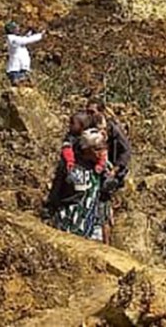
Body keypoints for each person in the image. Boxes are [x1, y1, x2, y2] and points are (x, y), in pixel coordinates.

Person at [45, 129, 109, 241]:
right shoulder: (71, 166)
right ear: (86, 149)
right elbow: (57, 190)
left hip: (92, 225)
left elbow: (103, 198)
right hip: (68, 221)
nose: (102, 153)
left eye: (104, 148)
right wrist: (49, 210)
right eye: (97, 149)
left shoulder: (101, 168)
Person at [86, 100, 132, 244]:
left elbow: (126, 151)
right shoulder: (89, 128)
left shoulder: (114, 129)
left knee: (103, 206)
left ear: (101, 112)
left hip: (110, 173)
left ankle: (106, 244)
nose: (89, 115)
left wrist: (115, 170)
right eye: (88, 112)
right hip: (95, 172)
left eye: (92, 112)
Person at [4, 21, 44, 85]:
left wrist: (31, 32)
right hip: (16, 70)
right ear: (11, 30)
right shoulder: (13, 39)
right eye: (16, 28)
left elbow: (24, 38)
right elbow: (26, 40)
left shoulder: (14, 38)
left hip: (20, 68)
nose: (18, 29)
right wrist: (40, 35)